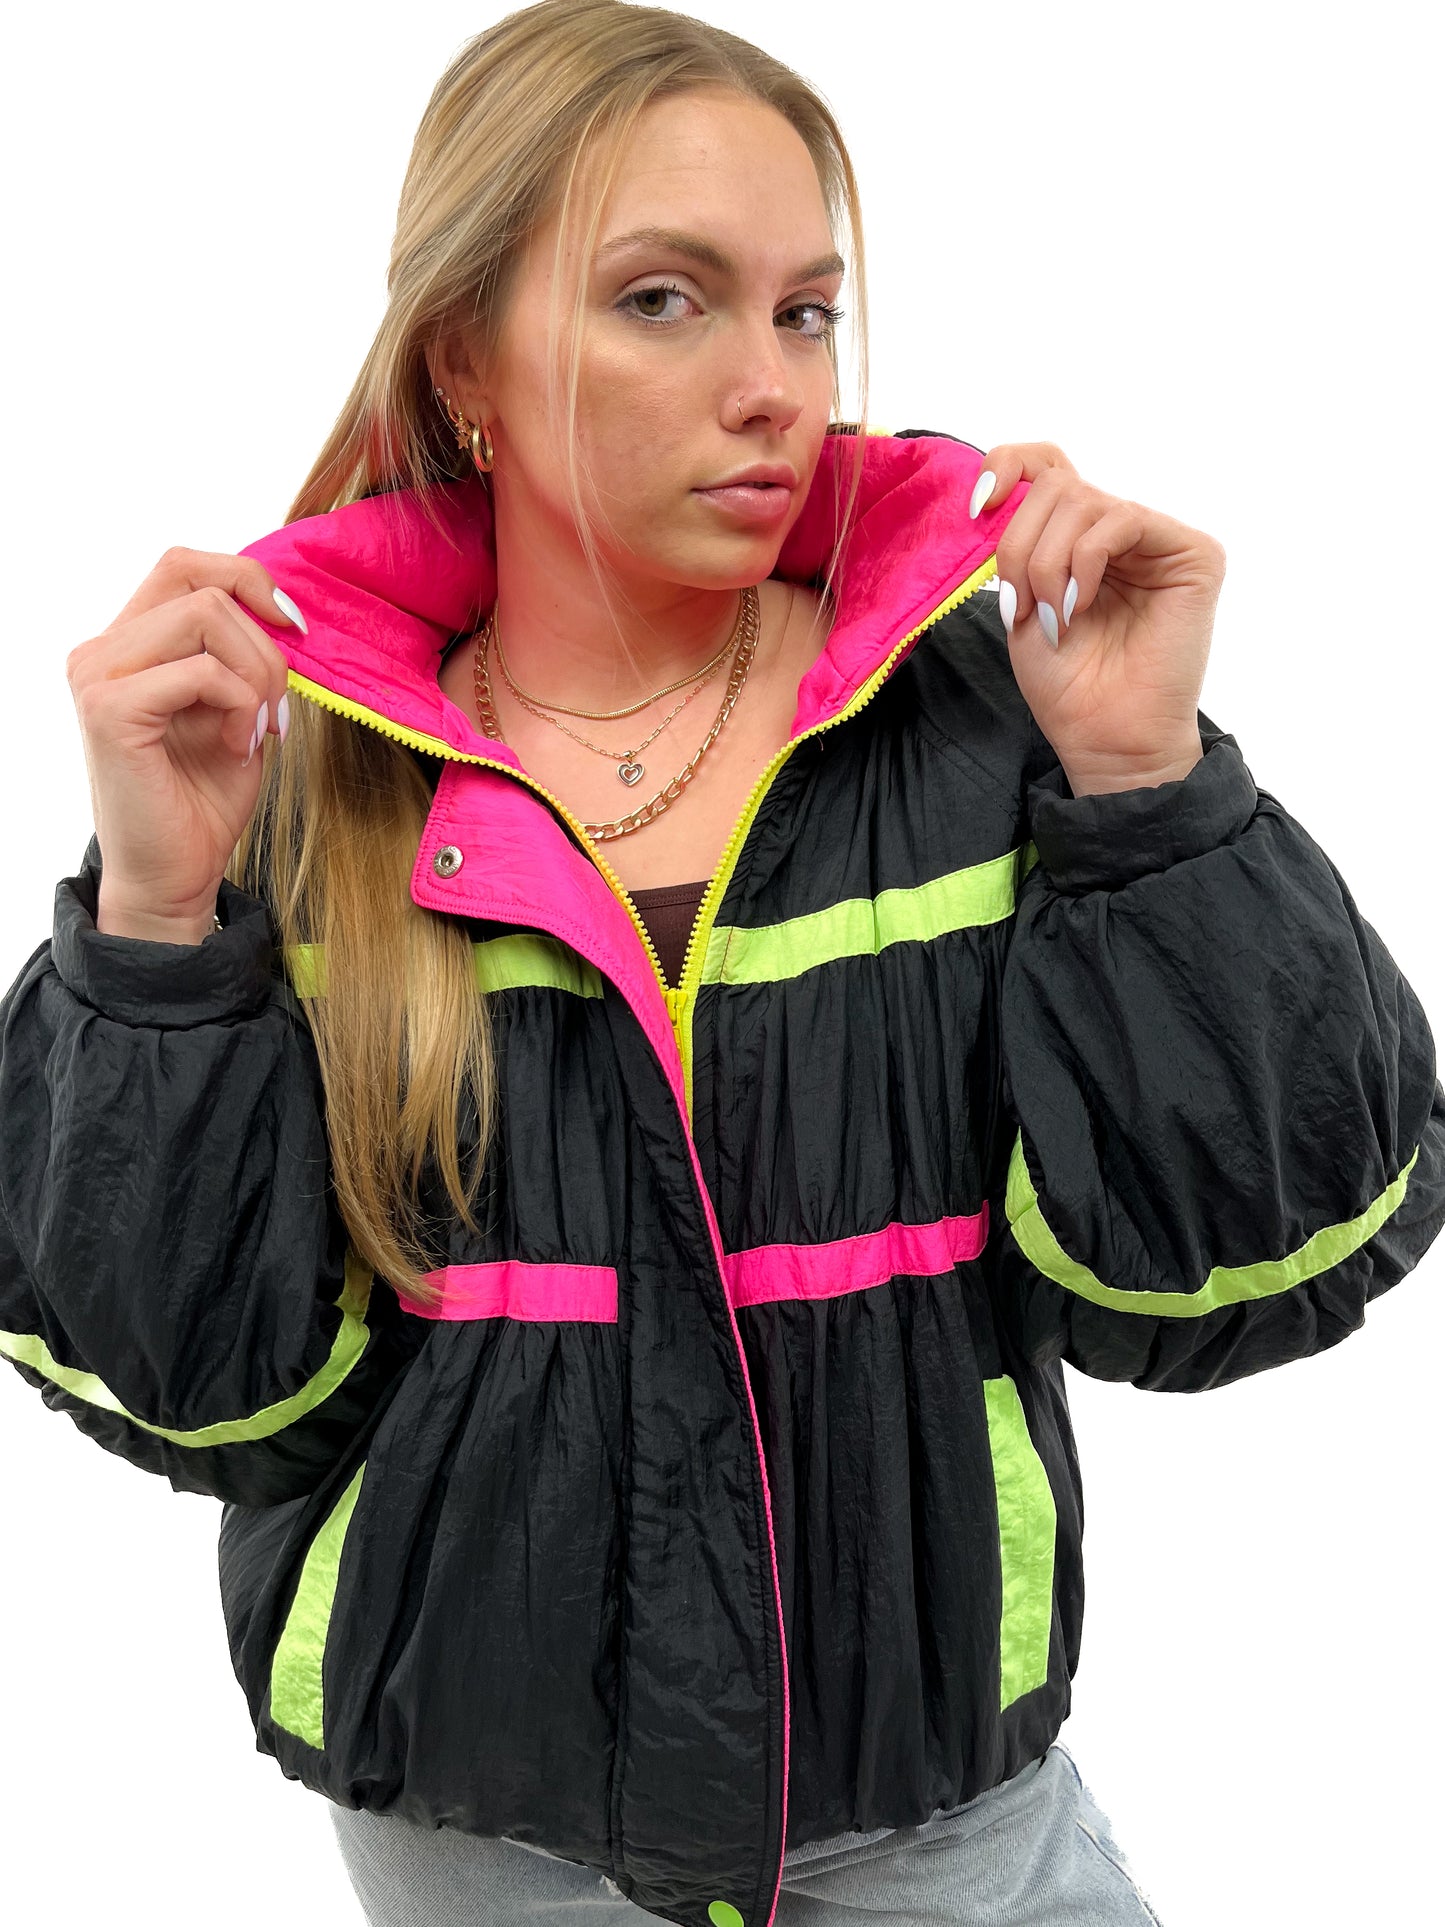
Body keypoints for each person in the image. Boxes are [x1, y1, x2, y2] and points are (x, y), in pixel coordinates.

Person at [2, 3, 1441, 1925]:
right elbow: (197, 1399)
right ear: (463, 360)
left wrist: (1147, 793)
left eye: (806, 311)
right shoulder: (287, 780)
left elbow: (1245, 1272)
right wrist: (158, 933)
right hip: (484, 1845)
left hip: (937, 1818)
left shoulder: (978, 731)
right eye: (663, 301)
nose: (772, 387)